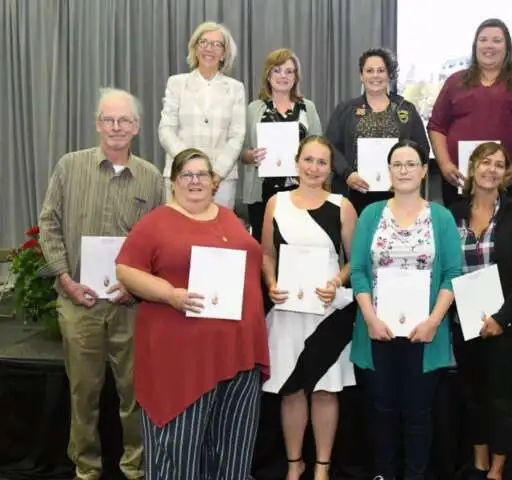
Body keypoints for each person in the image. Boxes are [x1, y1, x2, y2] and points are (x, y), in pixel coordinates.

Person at [115, 148, 269, 479]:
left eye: (202, 174)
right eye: (187, 175)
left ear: (215, 181)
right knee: (176, 452)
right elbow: (126, 270)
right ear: (173, 182)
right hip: (181, 359)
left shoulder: (228, 217)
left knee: (232, 453)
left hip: (239, 354)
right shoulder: (156, 223)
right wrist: (170, 294)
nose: (195, 181)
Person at [38, 88, 164, 480]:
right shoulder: (69, 167)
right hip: (79, 303)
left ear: (137, 128)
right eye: (109, 119)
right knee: (84, 393)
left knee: (135, 394)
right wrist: (65, 278)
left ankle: (134, 467)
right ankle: (86, 469)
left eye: (124, 120)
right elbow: (49, 224)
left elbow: (160, 240)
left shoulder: (151, 177)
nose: (116, 127)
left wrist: (138, 286)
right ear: (97, 124)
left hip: (132, 306)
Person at [349, 139, 462, 480]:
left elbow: (452, 274)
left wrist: (433, 322)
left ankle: (415, 474)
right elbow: (357, 271)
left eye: (411, 164)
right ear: (389, 171)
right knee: (381, 411)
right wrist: (369, 318)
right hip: (376, 331)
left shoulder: (441, 217)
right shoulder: (371, 214)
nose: (404, 170)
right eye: (397, 164)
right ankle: (383, 473)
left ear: (424, 170)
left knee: (418, 413)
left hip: (425, 334)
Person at [260, 136, 357, 480]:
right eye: (309, 160)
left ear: (330, 169)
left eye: (321, 162)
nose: (314, 168)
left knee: (325, 390)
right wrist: (270, 283)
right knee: (291, 390)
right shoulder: (276, 202)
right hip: (287, 311)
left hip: (326, 313)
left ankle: (322, 467)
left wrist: (337, 282)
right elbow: (267, 254)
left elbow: (354, 261)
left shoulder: (341, 205)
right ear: (296, 161)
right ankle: (294, 463)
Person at [448, 142, 512, 479]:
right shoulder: (452, 212)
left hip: (506, 324)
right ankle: (479, 461)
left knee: (500, 398)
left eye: (499, 165)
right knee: (471, 395)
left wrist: (502, 318)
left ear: (506, 173)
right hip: (463, 320)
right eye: (485, 163)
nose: (491, 170)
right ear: (472, 168)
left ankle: (498, 468)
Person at [428, 18, 512, 208]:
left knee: (506, 235)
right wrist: (445, 165)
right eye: (483, 40)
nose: (489, 46)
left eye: (497, 40)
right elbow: (437, 126)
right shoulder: (455, 81)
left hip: (509, 181)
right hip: (460, 181)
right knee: (460, 234)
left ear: (507, 47)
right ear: (475, 45)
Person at [326, 48, 430, 214]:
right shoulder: (345, 109)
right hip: (353, 195)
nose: (375, 75)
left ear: (389, 74)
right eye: (369, 71)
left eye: (381, 70)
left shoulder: (406, 109)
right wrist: (347, 174)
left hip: (398, 195)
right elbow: (329, 147)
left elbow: (422, 149)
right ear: (361, 75)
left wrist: (405, 177)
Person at [158, 21, 246, 209]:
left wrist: (217, 173)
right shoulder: (176, 83)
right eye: (204, 42)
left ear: (224, 53)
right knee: (178, 234)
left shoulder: (236, 89)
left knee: (215, 236)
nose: (209, 49)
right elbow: (166, 131)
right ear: (195, 48)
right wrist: (190, 167)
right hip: (180, 175)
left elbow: (237, 136)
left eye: (217, 45)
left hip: (220, 181)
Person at [240, 48, 323, 242]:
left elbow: (320, 146)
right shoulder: (255, 108)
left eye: (289, 71)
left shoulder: (307, 107)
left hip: (302, 189)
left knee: (298, 243)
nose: (283, 76)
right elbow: (241, 152)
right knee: (265, 246)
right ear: (268, 75)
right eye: (277, 71)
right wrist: (251, 156)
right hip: (261, 193)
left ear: (296, 77)